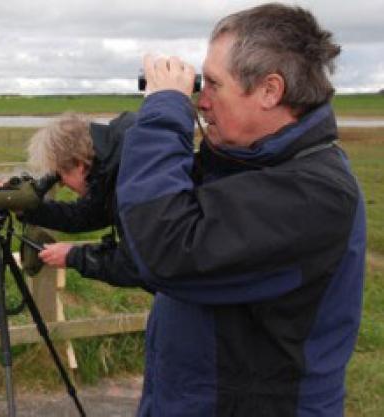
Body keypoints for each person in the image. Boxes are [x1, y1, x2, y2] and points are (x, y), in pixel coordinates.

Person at [116, 3, 366, 417]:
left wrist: (163, 114)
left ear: (270, 90)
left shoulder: (317, 194)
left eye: (213, 84)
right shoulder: (246, 161)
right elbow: (143, 224)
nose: (201, 101)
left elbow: (165, 250)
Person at [19, 111, 151, 289]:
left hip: (185, 288)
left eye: (61, 174)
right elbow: (86, 214)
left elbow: (138, 265)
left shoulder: (132, 178)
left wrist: (72, 256)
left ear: (79, 164)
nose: (62, 185)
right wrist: (27, 207)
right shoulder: (110, 168)